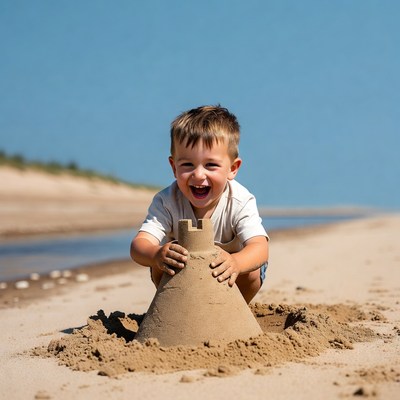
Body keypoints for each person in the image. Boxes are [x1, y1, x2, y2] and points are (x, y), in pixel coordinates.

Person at [130, 105, 269, 303]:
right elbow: (138, 246)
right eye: (187, 165)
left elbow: (260, 247)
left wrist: (236, 262)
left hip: (230, 274)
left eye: (211, 165)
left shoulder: (239, 201)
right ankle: (178, 311)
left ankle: (234, 312)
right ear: (173, 167)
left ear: (233, 168)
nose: (198, 174)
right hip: (186, 271)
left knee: (252, 270)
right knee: (160, 263)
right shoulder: (167, 201)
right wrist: (156, 254)